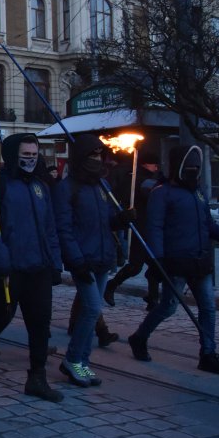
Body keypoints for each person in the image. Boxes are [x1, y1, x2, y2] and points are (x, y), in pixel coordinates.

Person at [128, 146, 219, 375]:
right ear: (178, 167)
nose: (193, 171)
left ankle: (208, 354)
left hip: (200, 261)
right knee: (168, 307)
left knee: (208, 308)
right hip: (176, 262)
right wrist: (157, 259)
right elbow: (154, 228)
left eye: (196, 167)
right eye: (189, 167)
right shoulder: (162, 192)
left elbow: (208, 225)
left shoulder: (198, 193)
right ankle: (139, 337)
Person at [0, 133, 64, 402]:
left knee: (40, 323)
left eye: (34, 155)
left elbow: (50, 227)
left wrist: (55, 262)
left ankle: (37, 377)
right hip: (11, 266)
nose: (31, 159)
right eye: (26, 155)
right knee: (1, 316)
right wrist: (0, 261)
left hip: (39, 265)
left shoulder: (40, 187)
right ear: (12, 156)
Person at [53, 135, 136, 387]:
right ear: (80, 158)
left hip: (102, 258)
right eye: (91, 155)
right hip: (83, 259)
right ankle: (73, 359)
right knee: (90, 309)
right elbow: (64, 228)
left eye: (99, 155)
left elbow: (106, 222)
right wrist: (76, 260)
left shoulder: (102, 186)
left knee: (93, 310)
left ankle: (83, 362)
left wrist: (121, 219)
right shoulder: (67, 188)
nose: (97, 160)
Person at [104, 151, 164, 307]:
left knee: (156, 265)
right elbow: (131, 195)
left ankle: (153, 297)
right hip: (140, 227)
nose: (156, 167)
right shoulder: (134, 178)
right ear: (145, 164)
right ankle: (111, 286)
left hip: (152, 227)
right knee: (135, 266)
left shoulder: (154, 177)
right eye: (154, 164)